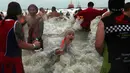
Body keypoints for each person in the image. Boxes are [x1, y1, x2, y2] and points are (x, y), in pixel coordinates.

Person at [0, 2, 41, 73]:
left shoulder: (1, 23)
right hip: (13, 61)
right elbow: (21, 44)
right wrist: (34, 45)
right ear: (19, 11)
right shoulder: (16, 24)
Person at [95, 0, 130, 73]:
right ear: (123, 6)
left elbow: (98, 45)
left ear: (109, 6)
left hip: (112, 63)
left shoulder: (104, 21)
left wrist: (103, 54)